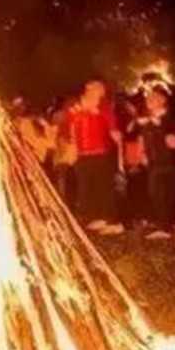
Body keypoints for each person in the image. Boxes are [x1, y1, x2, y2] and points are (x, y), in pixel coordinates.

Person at [67, 79, 123, 234]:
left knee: (104, 187)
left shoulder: (104, 108)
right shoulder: (76, 107)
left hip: (101, 154)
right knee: (86, 188)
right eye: (93, 89)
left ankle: (111, 220)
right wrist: (73, 148)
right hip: (82, 155)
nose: (98, 92)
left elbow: (111, 125)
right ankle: (95, 216)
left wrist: (114, 133)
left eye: (99, 89)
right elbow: (71, 127)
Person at [129, 86, 175, 238]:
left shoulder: (170, 119)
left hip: (169, 163)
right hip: (153, 163)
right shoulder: (146, 120)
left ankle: (165, 226)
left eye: (154, 97)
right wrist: (142, 154)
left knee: (165, 194)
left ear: (163, 100)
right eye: (148, 98)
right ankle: (162, 223)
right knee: (155, 194)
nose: (149, 100)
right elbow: (141, 137)